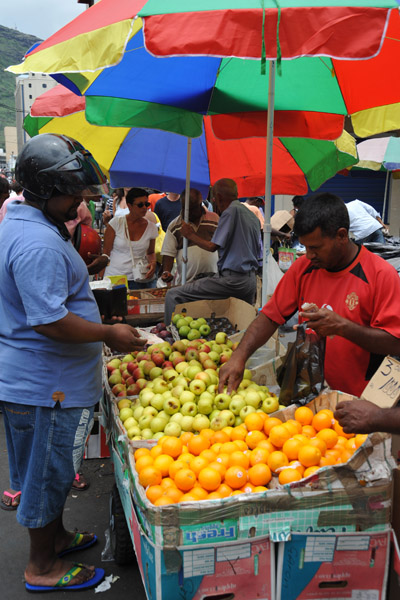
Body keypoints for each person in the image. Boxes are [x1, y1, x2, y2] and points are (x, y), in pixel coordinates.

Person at [0, 133, 146, 592]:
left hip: (44, 380)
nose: (79, 202)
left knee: (52, 469)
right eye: (72, 193)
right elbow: (49, 321)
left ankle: (57, 537)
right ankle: (41, 566)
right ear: (44, 189)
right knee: (45, 474)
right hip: (46, 384)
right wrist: (107, 333)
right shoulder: (37, 243)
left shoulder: (28, 226)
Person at [219, 192, 400, 399]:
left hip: (360, 400)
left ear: (341, 235)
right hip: (310, 397)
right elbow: (270, 316)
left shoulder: (380, 275)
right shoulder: (304, 268)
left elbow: (394, 343)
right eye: (305, 246)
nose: (309, 254)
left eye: (315, 247)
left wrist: (343, 327)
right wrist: (239, 357)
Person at [164, 178, 260, 324]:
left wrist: (190, 235)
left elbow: (212, 246)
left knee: (173, 295)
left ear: (219, 198)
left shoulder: (229, 212)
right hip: (249, 280)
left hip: (233, 280)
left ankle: (170, 337)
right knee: (242, 324)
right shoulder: (251, 215)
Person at [160, 188, 219, 286]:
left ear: (200, 204)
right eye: (187, 208)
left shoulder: (214, 219)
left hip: (213, 281)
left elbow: (218, 247)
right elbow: (168, 254)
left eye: (193, 208)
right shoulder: (174, 225)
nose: (190, 212)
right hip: (186, 283)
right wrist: (166, 271)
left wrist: (190, 235)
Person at [102, 187, 158, 289]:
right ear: (129, 206)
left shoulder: (151, 227)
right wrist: (100, 279)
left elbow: (150, 252)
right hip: (115, 277)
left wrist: (153, 264)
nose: (144, 207)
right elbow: (106, 253)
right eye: (140, 205)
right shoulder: (115, 223)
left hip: (140, 278)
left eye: (147, 204)